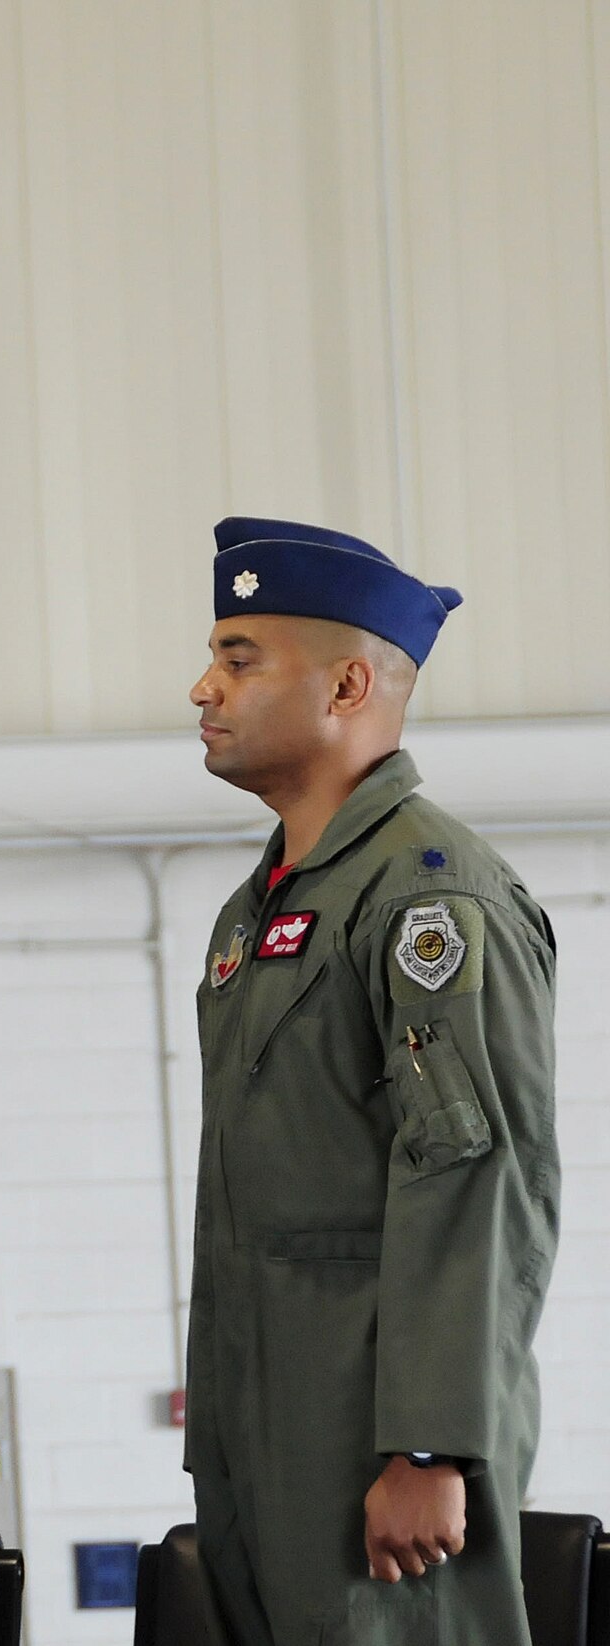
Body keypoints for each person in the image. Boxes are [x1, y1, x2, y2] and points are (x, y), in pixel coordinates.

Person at [184, 517, 559, 1645]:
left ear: (347, 682)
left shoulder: (426, 896)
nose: (200, 686)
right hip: (264, 1426)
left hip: (373, 1441)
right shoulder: (261, 909)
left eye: (239, 656)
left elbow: (471, 1173)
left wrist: (429, 1443)